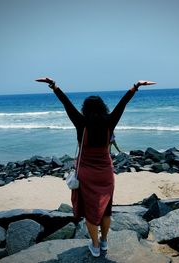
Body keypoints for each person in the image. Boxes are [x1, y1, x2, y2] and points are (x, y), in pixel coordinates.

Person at [36, 77, 156, 257]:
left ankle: (95, 245)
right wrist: (135, 86)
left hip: (86, 174)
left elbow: (66, 103)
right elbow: (123, 104)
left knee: (90, 211)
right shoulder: (109, 121)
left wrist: (54, 86)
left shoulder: (81, 123)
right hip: (106, 174)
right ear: (102, 107)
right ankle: (105, 241)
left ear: (85, 109)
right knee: (106, 209)